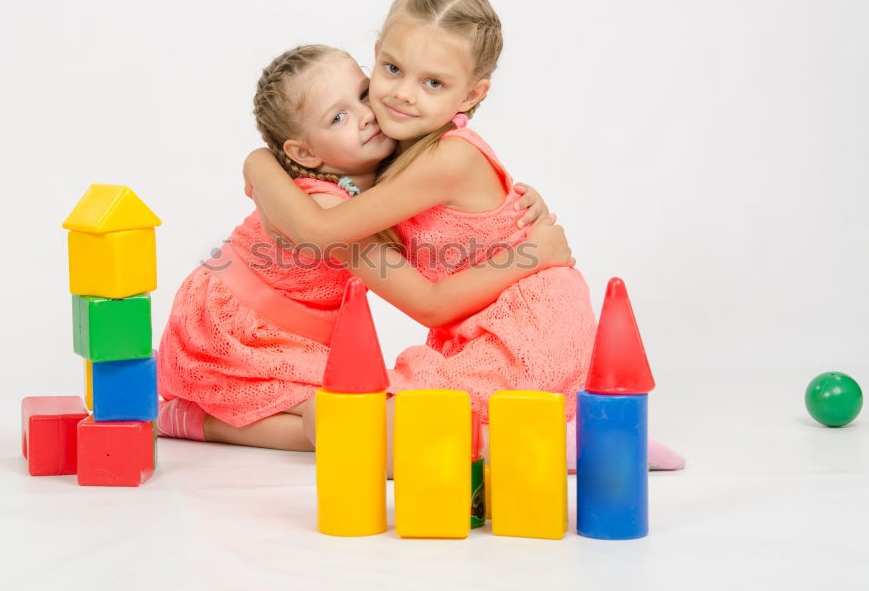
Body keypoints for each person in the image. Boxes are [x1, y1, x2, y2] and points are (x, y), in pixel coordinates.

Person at [244, 0, 684, 470]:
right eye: (392, 70)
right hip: (491, 329)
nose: (403, 95)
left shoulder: (445, 158)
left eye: (433, 83)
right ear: (375, 58)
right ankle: (552, 436)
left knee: (365, 431)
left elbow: (318, 233)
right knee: (348, 417)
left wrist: (259, 162)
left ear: (472, 94)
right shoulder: (401, 147)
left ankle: (585, 446)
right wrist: (264, 168)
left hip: (528, 332)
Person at [156, 43, 572, 453]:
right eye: (338, 117)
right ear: (305, 153)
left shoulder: (376, 172)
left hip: (275, 322)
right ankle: (197, 422)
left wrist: (516, 202)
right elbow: (428, 300)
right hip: (235, 325)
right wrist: (533, 254)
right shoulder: (328, 208)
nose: (366, 117)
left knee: (353, 407)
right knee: (350, 417)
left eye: (361, 94)